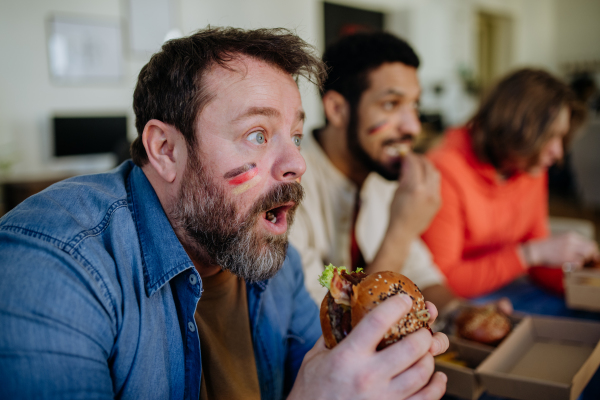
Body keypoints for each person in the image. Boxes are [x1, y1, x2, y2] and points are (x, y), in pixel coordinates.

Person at [0, 27, 448, 399]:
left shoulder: (278, 265)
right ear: (166, 149)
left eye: (294, 135)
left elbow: (323, 375)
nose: (298, 162)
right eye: (257, 134)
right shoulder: (53, 268)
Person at [289, 31, 462, 312]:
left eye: (414, 105)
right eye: (391, 104)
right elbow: (334, 328)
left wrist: (466, 314)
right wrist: (401, 232)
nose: (413, 127)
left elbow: (423, 278)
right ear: (337, 109)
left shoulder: (382, 176)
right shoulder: (287, 186)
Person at [421, 68, 599, 315]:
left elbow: (537, 258)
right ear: (514, 128)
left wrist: (582, 275)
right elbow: (442, 282)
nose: (558, 153)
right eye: (550, 137)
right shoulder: (445, 169)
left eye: (562, 138)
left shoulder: (528, 166)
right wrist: (531, 254)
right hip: (459, 300)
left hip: (511, 287)